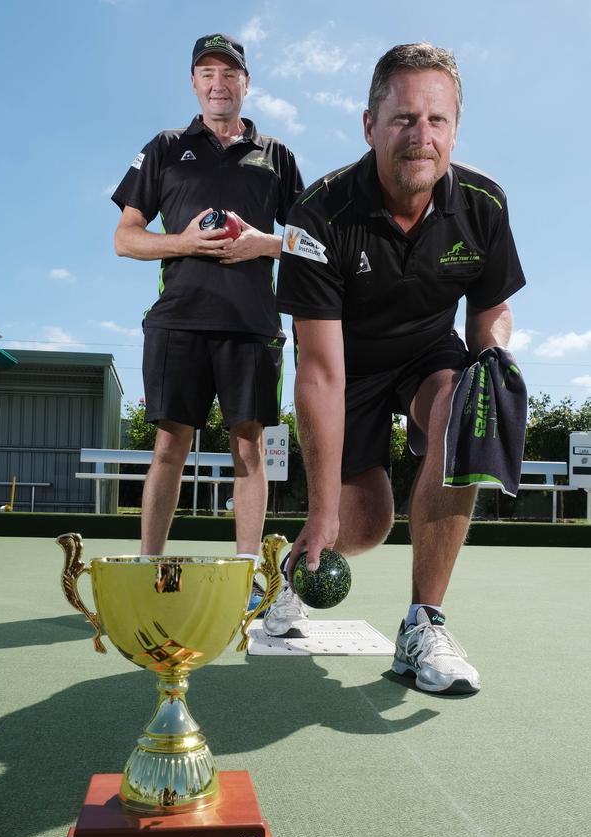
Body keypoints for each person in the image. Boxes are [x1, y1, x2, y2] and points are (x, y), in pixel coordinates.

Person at [268, 43, 525, 694]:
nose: (422, 136)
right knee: (363, 527)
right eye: (405, 118)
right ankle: (292, 560)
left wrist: (491, 354)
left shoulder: (484, 205)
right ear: (369, 125)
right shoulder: (315, 216)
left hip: (425, 357)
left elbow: (491, 310)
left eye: (436, 121)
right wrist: (324, 509)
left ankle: (422, 625)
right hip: (346, 370)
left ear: (454, 130)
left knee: (463, 402)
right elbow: (319, 372)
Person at [112, 33, 303, 581]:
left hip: (252, 324)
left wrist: (262, 243)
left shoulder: (278, 155)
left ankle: (246, 578)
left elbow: (311, 241)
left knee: (250, 448)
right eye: (207, 73)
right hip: (178, 320)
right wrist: (186, 242)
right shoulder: (165, 147)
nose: (218, 83)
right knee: (170, 446)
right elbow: (126, 239)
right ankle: (151, 569)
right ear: (194, 83)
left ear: (246, 83)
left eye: (230, 73)